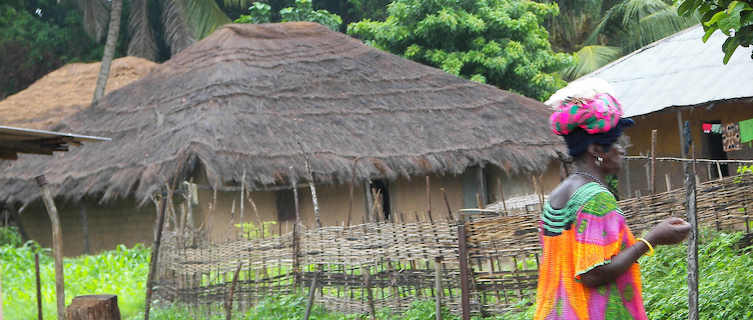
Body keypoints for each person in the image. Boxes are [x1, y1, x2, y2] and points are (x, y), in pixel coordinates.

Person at [534, 79, 691, 320]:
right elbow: (592, 274)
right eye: (616, 142)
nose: (622, 148)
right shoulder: (595, 197)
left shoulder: (559, 194)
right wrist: (652, 239)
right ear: (596, 149)